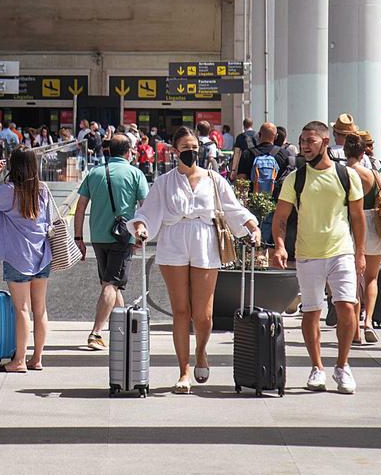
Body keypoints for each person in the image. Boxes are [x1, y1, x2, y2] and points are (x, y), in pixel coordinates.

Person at [130, 127, 258, 393]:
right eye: (185, 149)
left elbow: (232, 207)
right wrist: (141, 227)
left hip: (204, 241)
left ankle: (201, 352)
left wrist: (250, 226)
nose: (191, 153)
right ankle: (183, 370)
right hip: (174, 241)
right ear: (175, 151)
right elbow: (149, 211)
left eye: (195, 149)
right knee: (180, 310)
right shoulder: (164, 181)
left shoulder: (213, 179)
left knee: (204, 314)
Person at [272, 121, 365, 394]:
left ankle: (343, 365)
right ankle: (317, 367)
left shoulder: (346, 175)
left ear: (325, 142)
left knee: (347, 307)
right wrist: (279, 245)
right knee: (312, 311)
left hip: (341, 250)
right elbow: (280, 217)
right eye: (302, 141)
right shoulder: (295, 178)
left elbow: (358, 218)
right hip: (308, 252)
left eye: (310, 141)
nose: (304, 146)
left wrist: (360, 253)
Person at [0, 150, 53, 373]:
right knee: (40, 309)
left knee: (21, 308)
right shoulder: (43, 190)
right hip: (42, 255)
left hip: (18, 256)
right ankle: (37, 358)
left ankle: (19, 360)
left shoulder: (9, 191)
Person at [73, 134, 149, 350]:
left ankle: (122, 329)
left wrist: (79, 237)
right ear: (128, 152)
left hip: (97, 236)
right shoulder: (135, 174)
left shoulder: (94, 173)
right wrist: (141, 234)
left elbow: (80, 208)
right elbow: (145, 208)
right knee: (111, 284)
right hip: (123, 236)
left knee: (111, 284)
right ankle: (96, 333)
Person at [342, 135, 381, 346]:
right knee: (371, 277)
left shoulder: (341, 174)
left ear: (345, 152)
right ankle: (368, 321)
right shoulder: (373, 174)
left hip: (350, 223)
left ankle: (356, 332)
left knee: (354, 279)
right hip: (374, 223)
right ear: (363, 153)